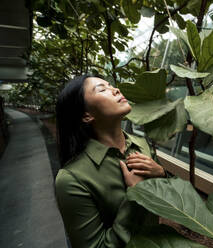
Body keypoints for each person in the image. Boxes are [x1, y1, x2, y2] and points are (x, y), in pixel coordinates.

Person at [55, 75, 167, 248]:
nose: (115, 89)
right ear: (86, 116)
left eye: (110, 85)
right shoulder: (71, 179)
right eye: (102, 89)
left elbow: (165, 201)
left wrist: (161, 174)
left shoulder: (142, 146)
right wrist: (134, 196)